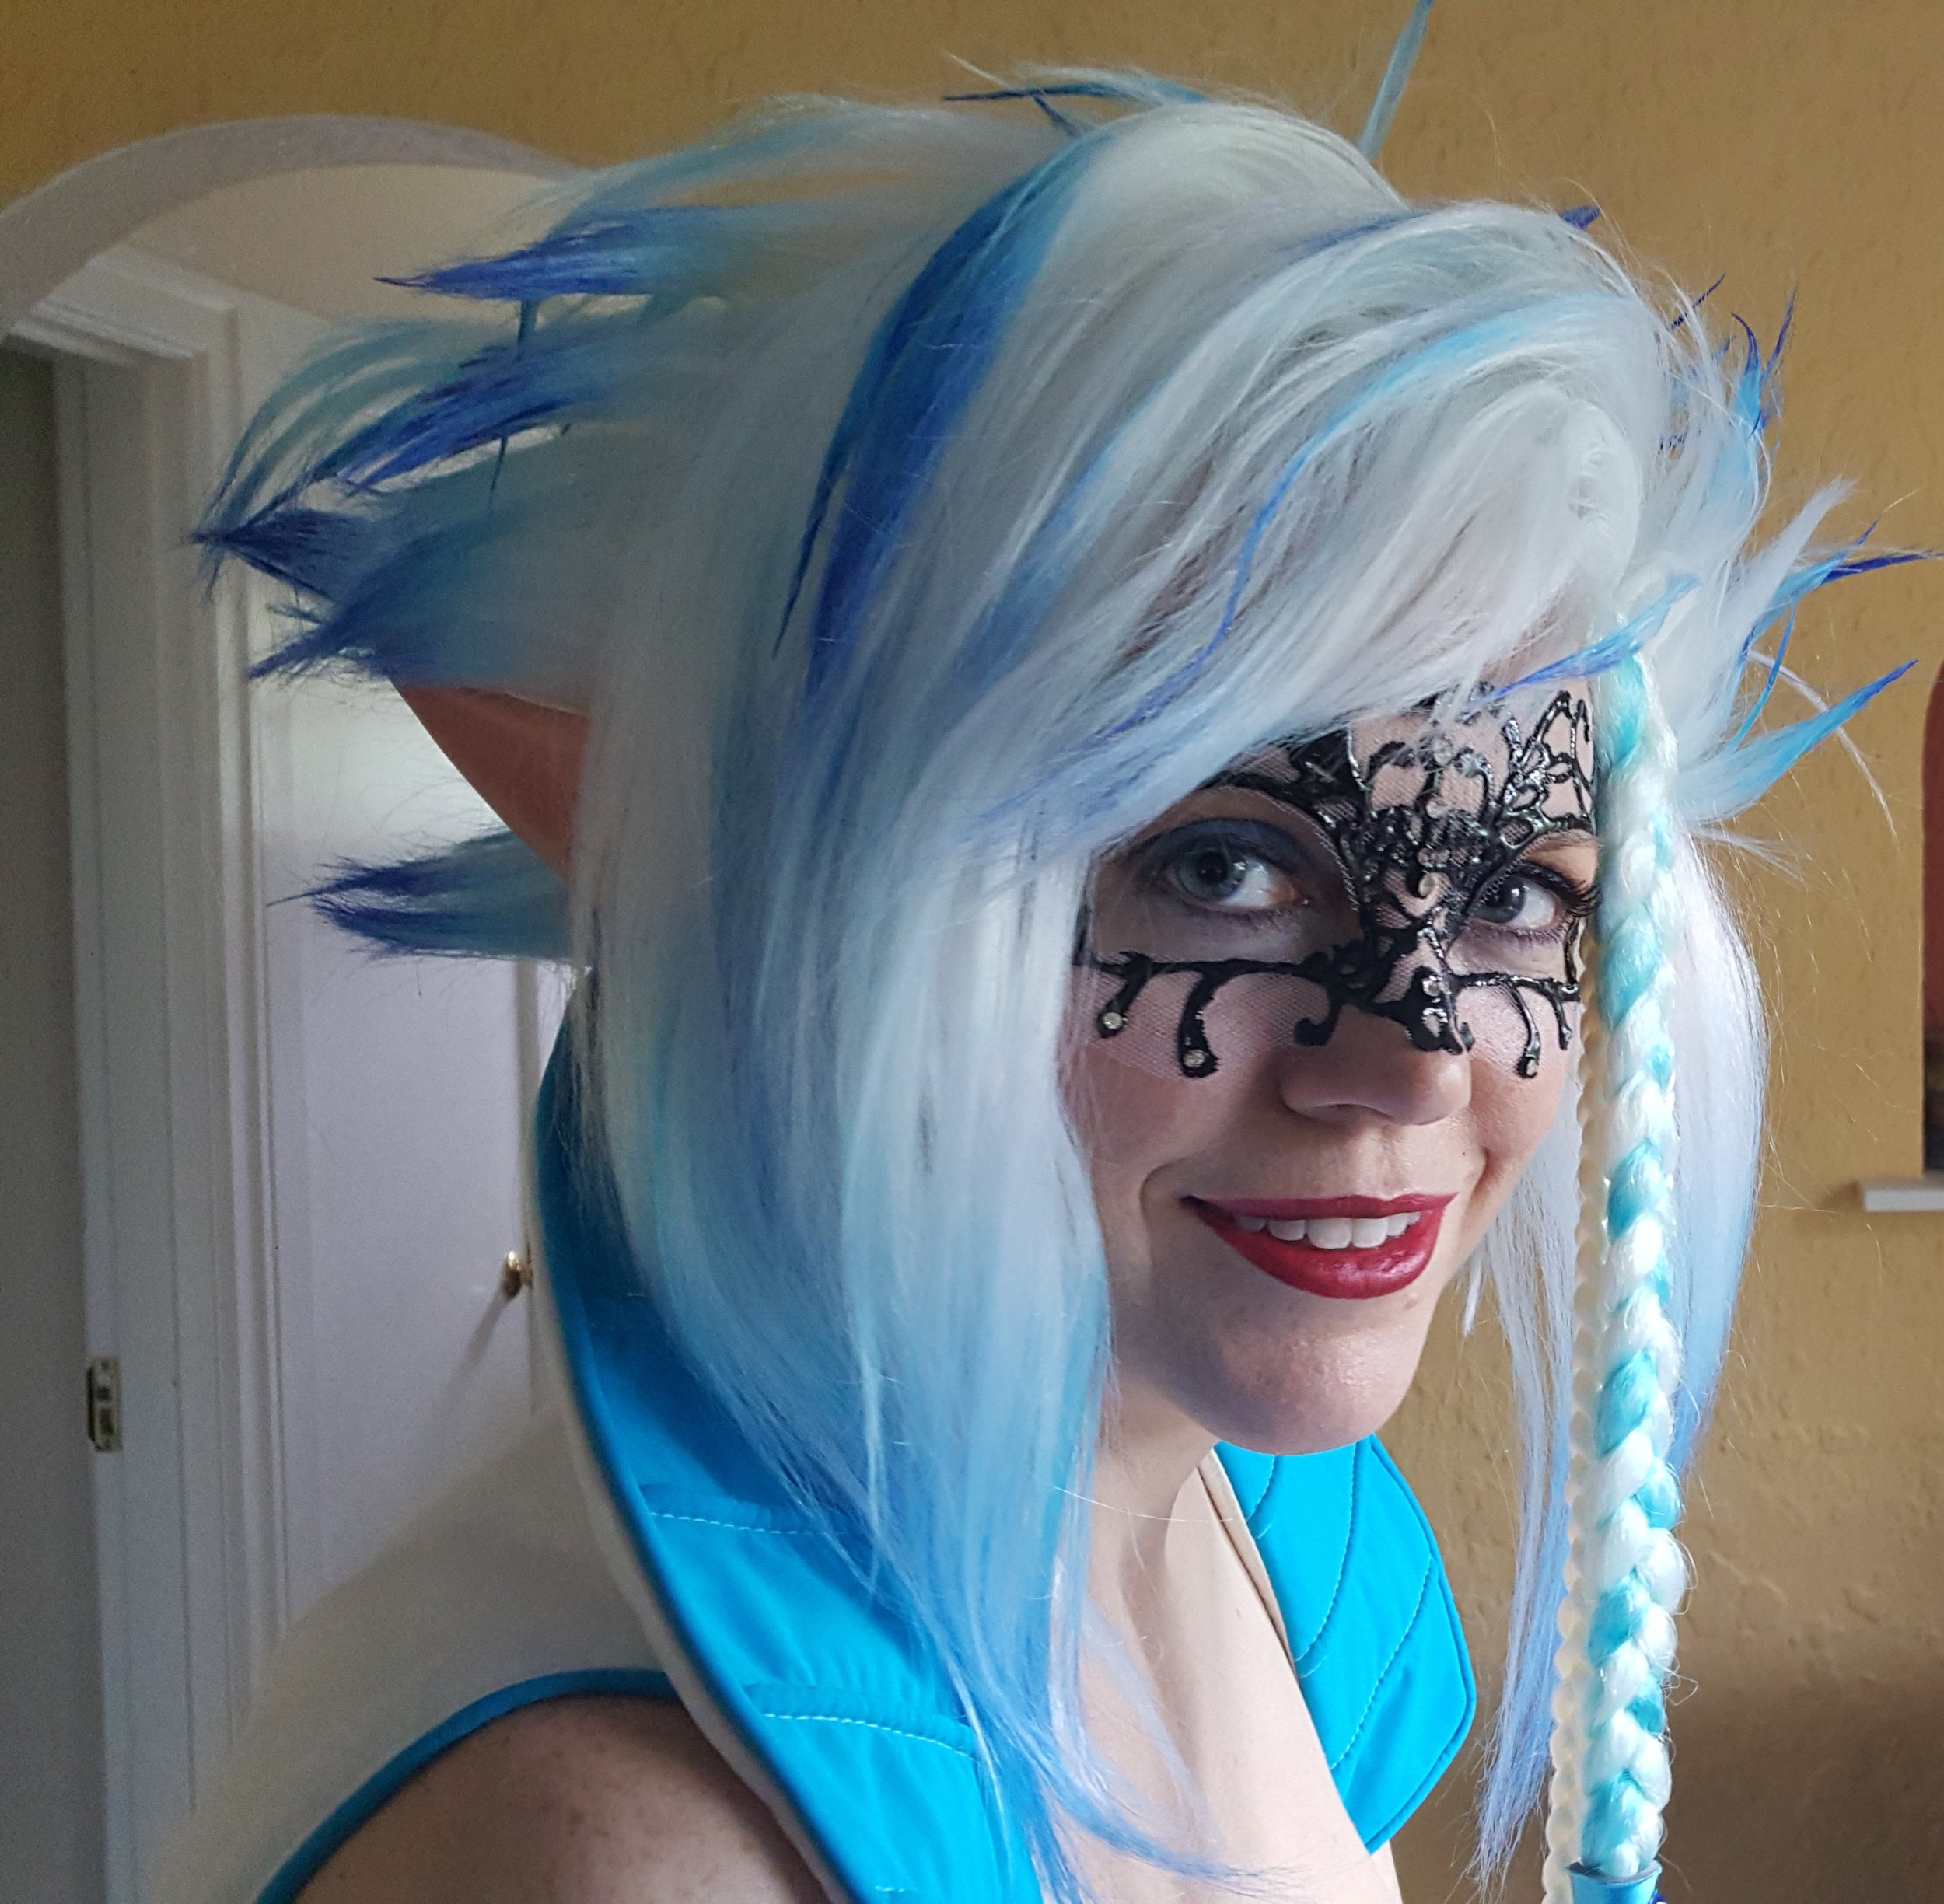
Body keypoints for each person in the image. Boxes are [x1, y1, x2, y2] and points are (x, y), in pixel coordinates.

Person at [160, 58, 1901, 1904]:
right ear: (827, 923)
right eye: (1220, 867)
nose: (1410, 1061)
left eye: (1514, 891)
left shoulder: (1252, 1509)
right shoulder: (622, 1849)